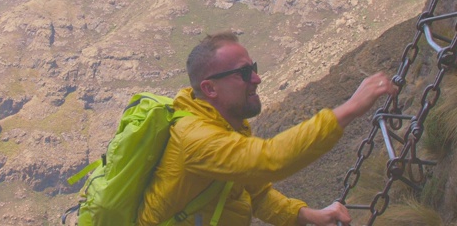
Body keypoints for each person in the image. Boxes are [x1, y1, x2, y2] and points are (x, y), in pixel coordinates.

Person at [137, 31, 396, 226]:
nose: (257, 79)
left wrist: (309, 215)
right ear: (210, 89)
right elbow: (270, 158)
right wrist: (350, 108)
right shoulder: (196, 139)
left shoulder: (227, 126)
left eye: (254, 68)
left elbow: (256, 193)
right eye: (244, 72)